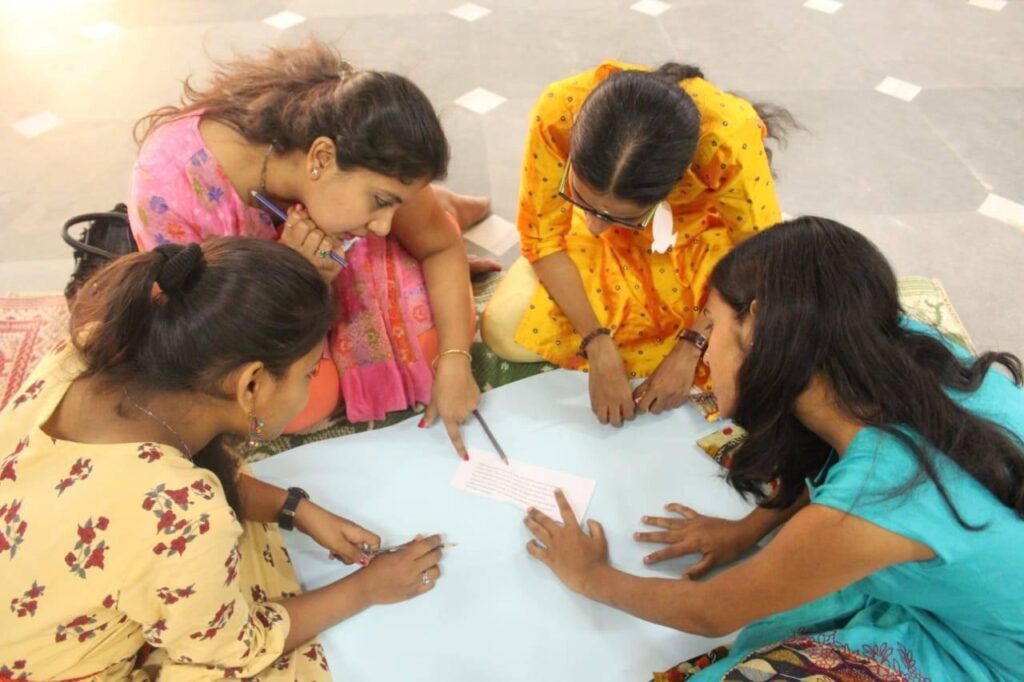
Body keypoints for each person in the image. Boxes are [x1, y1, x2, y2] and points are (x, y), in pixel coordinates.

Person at [523, 217, 1024, 680]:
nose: (705, 352)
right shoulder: (897, 345)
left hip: (986, 657)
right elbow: (829, 463)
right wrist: (746, 532)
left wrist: (590, 575)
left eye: (711, 328)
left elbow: (709, 611)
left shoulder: (876, 498)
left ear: (756, 327)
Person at [0, 239, 446, 680]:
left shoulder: (92, 350)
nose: (310, 387)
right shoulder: (185, 509)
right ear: (251, 384)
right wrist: (366, 589)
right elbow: (231, 650)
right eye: (309, 373)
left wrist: (295, 509)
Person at [129, 39, 485, 458]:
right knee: (292, 406)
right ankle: (440, 205)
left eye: (395, 205)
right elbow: (203, 342)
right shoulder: (171, 187)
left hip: (336, 244)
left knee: (427, 352)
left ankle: (441, 206)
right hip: (256, 308)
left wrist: (456, 359)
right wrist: (298, 272)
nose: (383, 226)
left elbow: (441, 248)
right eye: (383, 202)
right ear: (321, 156)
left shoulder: (369, 157)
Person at [482, 60, 790, 427]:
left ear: (674, 184)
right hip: (597, 248)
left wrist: (691, 346)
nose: (595, 226)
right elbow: (543, 238)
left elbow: (758, 257)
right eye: (581, 200)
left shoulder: (727, 138)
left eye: (619, 216)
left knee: (757, 350)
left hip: (694, 240)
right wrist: (596, 343)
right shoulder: (558, 111)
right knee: (503, 329)